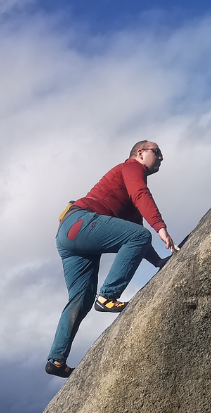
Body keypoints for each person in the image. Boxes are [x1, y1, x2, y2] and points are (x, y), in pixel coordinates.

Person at [46, 140, 177, 378]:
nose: (161, 158)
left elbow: (136, 233)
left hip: (68, 234)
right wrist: (160, 227)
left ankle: (56, 360)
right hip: (82, 221)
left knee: (81, 299)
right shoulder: (130, 168)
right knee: (140, 235)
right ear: (140, 153)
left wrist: (158, 262)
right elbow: (141, 196)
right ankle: (108, 296)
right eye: (157, 152)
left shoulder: (127, 191)